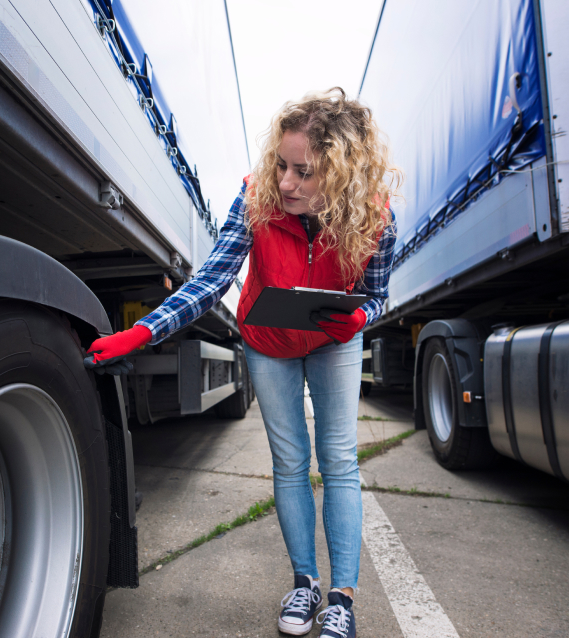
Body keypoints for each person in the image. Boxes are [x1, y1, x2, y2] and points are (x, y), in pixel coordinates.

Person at [87, 87, 400, 638]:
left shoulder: (376, 218)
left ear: (342, 171)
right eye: (282, 165)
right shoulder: (257, 197)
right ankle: (304, 582)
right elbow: (213, 278)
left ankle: (341, 600)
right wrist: (143, 329)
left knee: (339, 458)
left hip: (333, 340)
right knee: (289, 460)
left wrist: (360, 319)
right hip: (267, 339)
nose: (285, 183)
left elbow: (378, 295)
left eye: (304, 172)